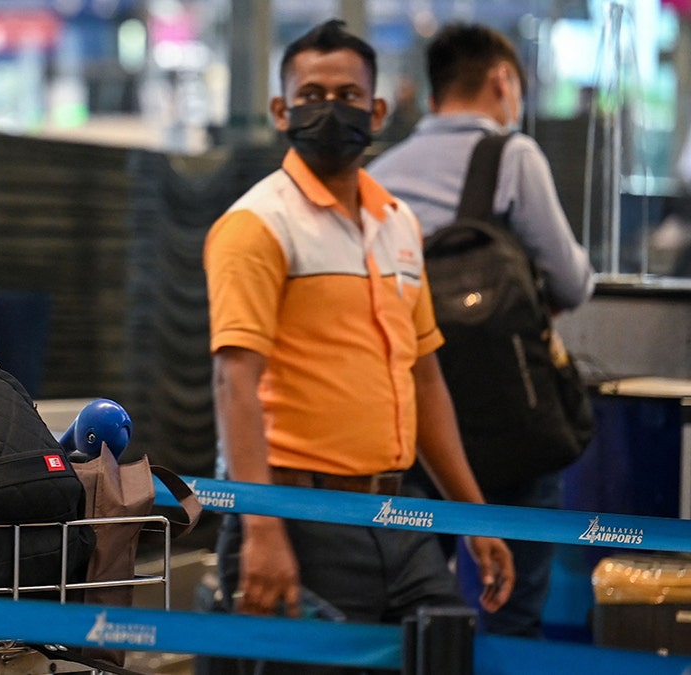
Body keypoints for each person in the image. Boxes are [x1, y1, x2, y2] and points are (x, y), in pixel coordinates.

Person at [201, 20, 515, 673]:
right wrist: (262, 527)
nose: (329, 107)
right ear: (281, 110)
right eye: (311, 93)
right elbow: (235, 381)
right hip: (299, 515)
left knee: (448, 657)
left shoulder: (397, 224)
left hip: (400, 514)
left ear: (376, 110)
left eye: (347, 94)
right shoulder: (258, 224)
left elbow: (425, 379)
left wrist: (476, 515)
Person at [367, 23, 595, 638]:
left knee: (414, 609)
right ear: (502, 80)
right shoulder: (512, 155)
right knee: (511, 609)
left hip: (411, 424)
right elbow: (572, 283)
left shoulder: (378, 176)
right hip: (510, 423)